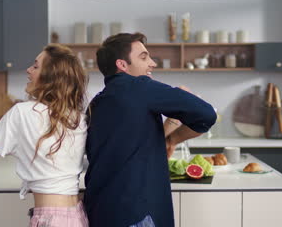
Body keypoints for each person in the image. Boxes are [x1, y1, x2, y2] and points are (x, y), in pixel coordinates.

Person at [84, 33, 216, 227]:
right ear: (122, 65)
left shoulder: (96, 103)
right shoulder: (139, 86)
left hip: (100, 212)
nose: (152, 63)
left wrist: (166, 137)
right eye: (144, 57)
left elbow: (130, 144)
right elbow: (206, 114)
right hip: (136, 214)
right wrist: (172, 141)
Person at [0, 44, 89, 227]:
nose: (28, 70)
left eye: (35, 66)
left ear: (50, 77)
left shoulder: (22, 112)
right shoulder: (78, 118)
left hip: (50, 219)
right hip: (78, 216)